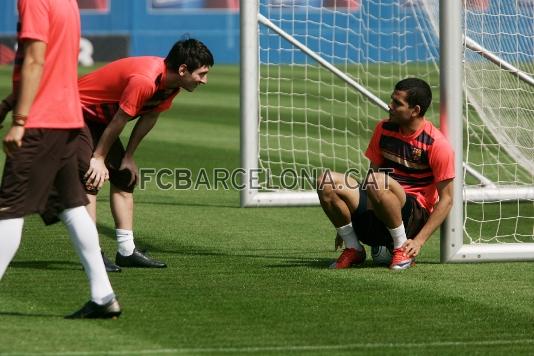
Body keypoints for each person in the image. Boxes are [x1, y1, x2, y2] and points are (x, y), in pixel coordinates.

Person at [0, 0, 120, 318]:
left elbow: (36, 60)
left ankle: (103, 295)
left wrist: (21, 120)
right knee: (73, 206)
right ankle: (103, 295)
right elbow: (54, 64)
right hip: (68, 119)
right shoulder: (67, 2)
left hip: (42, 122)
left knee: (9, 208)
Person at [53, 38, 213, 272]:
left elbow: (150, 116)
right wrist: (98, 158)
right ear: (182, 70)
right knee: (92, 178)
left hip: (98, 121)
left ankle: (126, 251)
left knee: (124, 177)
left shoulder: (172, 85)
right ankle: (92, 254)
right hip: (73, 113)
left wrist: (128, 157)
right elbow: (120, 120)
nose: (204, 80)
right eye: (201, 74)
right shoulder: (145, 80)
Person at [317, 78, 454, 270]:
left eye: (397, 103)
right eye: (392, 100)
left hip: (412, 216)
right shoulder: (383, 128)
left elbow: (447, 199)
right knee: (326, 180)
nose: (390, 106)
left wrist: (419, 242)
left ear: (415, 110)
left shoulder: (436, 144)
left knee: (377, 181)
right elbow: (371, 175)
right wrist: (346, 219)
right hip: (379, 202)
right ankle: (353, 247)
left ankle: (401, 248)